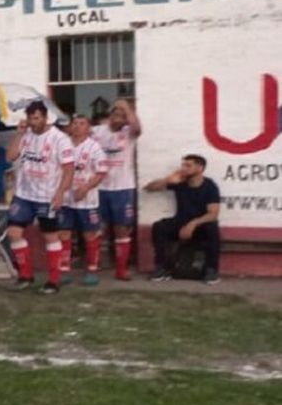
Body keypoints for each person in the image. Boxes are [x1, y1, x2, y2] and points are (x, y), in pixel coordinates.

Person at [6, 103, 75, 294]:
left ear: (45, 117)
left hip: (47, 195)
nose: (32, 122)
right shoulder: (26, 135)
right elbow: (11, 156)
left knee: (50, 235)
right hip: (24, 194)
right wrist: (19, 134)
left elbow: (69, 169)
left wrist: (61, 192)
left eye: (36, 118)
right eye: (30, 118)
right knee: (13, 232)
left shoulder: (60, 139)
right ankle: (25, 275)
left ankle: (54, 280)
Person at [144, 155, 222, 284]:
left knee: (212, 228)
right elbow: (149, 188)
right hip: (181, 222)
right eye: (183, 165)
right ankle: (161, 268)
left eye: (188, 165)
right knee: (159, 227)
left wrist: (193, 224)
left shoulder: (210, 186)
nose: (184, 168)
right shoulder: (180, 182)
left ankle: (211, 270)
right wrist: (167, 180)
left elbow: (213, 213)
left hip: (200, 225)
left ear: (200, 168)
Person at [57, 114, 111, 287]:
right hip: (66, 198)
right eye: (75, 123)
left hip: (87, 200)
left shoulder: (94, 148)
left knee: (90, 234)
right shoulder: (63, 145)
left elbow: (101, 171)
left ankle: (92, 269)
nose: (78, 126)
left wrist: (85, 188)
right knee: (64, 233)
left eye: (82, 123)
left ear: (89, 128)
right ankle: (64, 269)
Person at [92, 98, 142, 280]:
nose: (118, 118)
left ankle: (121, 270)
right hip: (99, 187)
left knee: (122, 228)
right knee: (97, 227)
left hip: (122, 188)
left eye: (122, 116)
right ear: (110, 115)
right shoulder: (98, 131)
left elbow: (137, 128)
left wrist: (126, 108)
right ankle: (95, 265)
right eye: (115, 114)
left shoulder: (129, 132)